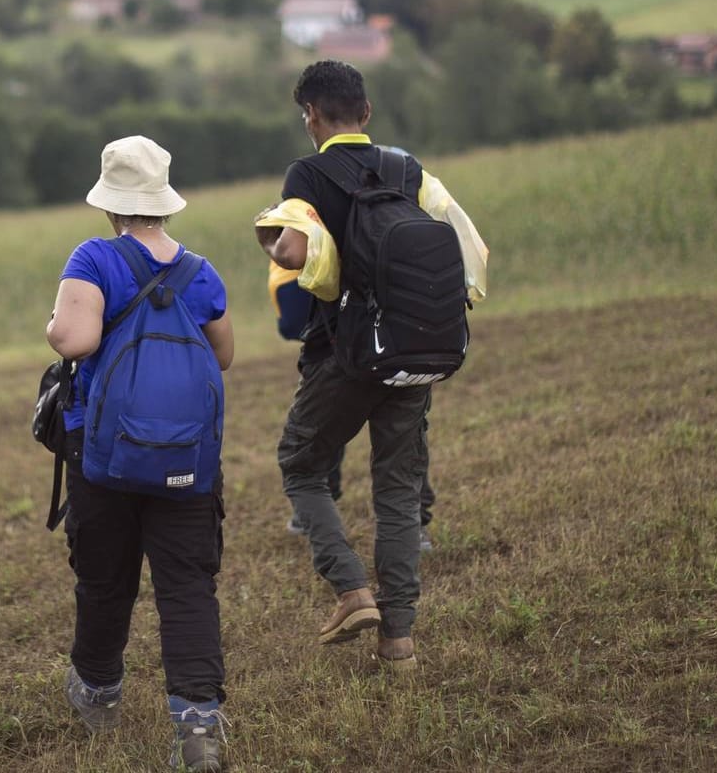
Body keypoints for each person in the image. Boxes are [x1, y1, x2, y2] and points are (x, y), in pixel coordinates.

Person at [46, 135, 235, 772]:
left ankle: (98, 691)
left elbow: (74, 339)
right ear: (164, 204)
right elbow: (223, 356)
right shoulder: (200, 271)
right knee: (187, 586)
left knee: (105, 580)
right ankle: (199, 725)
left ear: (110, 206)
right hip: (187, 459)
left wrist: (54, 323)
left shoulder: (94, 257)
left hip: (106, 460)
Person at [258, 59, 438, 670]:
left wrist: (271, 237)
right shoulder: (407, 167)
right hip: (414, 346)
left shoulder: (305, 172)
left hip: (347, 350)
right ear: (366, 113)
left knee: (301, 464)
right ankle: (400, 643)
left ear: (310, 116)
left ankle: (351, 589)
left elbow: (294, 249)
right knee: (398, 489)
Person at [271, 262, 437, 550]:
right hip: (400, 319)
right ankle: (415, 523)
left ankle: (319, 499)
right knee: (402, 433)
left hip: (343, 331)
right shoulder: (405, 215)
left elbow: (290, 267)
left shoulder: (321, 216)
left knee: (327, 414)